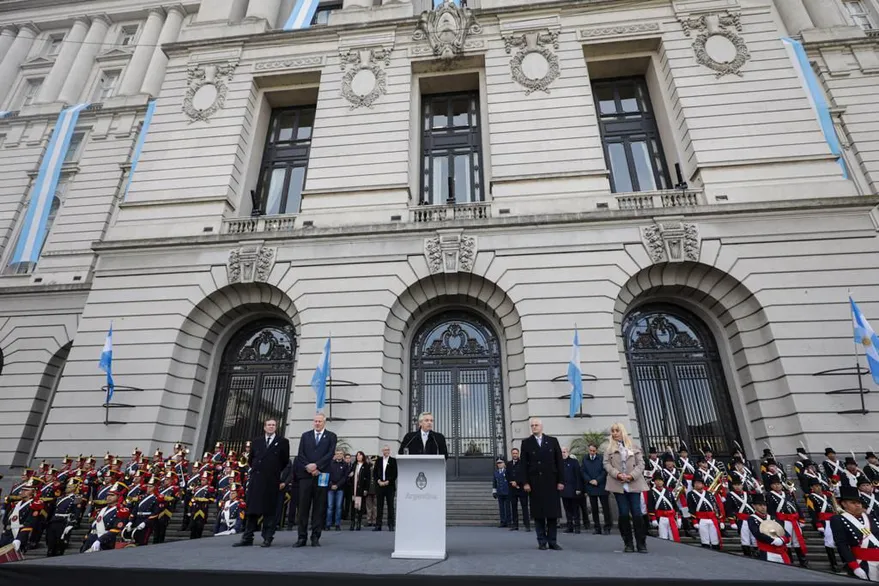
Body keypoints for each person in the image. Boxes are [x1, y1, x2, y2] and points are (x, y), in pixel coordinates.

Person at [234, 418, 291, 548]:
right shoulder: (256, 441)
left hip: (271, 479)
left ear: (276, 427)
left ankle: (267, 537)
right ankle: (247, 537)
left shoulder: (283, 442)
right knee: (252, 509)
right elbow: (251, 459)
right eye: (269, 425)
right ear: (264, 427)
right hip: (257, 479)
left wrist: (273, 470)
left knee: (269, 510)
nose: (271, 427)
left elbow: (284, 460)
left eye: (273, 425)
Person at [520, 418, 564, 551]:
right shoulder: (526, 443)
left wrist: (561, 481)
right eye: (532, 425)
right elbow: (523, 465)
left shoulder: (552, 441)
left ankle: (552, 541)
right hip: (535, 483)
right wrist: (526, 482)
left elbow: (559, 462)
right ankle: (541, 541)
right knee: (538, 514)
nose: (534, 427)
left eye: (536, 425)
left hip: (551, 481)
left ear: (541, 426)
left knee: (552, 514)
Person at [604, 422, 648, 553]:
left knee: (637, 513)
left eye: (617, 430)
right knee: (623, 514)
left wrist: (631, 476)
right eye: (613, 430)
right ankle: (628, 543)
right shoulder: (609, 449)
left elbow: (641, 464)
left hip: (633, 483)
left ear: (622, 431)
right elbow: (606, 464)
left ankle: (641, 543)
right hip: (619, 484)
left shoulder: (633, 446)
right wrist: (616, 474)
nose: (614, 433)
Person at [294, 413, 337, 548]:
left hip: (322, 475)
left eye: (320, 421)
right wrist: (309, 467)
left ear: (324, 422)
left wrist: (317, 466)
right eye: (315, 421)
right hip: (306, 475)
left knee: (319, 507)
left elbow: (330, 454)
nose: (317, 423)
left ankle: (315, 537)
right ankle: (301, 537)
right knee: (303, 507)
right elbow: (301, 454)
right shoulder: (305, 435)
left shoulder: (331, 436)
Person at [832, 485, 879, 581]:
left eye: (859, 503)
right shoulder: (838, 519)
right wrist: (855, 566)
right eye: (853, 503)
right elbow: (842, 544)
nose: (858, 505)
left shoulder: (870, 517)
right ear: (844, 504)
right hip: (863, 562)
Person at [766, 472, 808, 567]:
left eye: (778, 484)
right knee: (786, 542)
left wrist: (801, 518)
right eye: (774, 484)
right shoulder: (769, 495)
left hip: (793, 520)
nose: (777, 486)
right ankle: (789, 561)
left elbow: (796, 506)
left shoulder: (788, 494)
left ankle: (803, 560)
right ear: (771, 486)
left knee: (797, 541)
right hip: (782, 521)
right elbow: (771, 511)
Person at [806, 477, 840, 573]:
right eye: (816, 486)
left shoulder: (828, 495)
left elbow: (834, 508)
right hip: (824, 521)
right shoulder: (810, 497)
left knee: (840, 541)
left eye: (819, 486)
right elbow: (812, 512)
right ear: (812, 487)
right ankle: (833, 563)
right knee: (828, 543)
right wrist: (818, 524)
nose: (818, 488)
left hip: (833, 519)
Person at [748, 492, 791, 564]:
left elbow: (785, 533)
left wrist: (782, 539)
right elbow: (757, 534)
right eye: (760, 505)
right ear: (754, 506)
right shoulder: (752, 519)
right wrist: (773, 540)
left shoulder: (772, 517)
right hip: (766, 551)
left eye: (764, 505)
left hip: (781, 551)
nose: (763, 507)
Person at [582, 443, 611, 534]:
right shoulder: (585, 459)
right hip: (591, 487)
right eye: (590, 451)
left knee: (605, 508)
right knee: (594, 508)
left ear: (596, 450)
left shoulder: (601, 458)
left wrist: (597, 480)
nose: (592, 452)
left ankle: (607, 527)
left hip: (602, 486)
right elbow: (583, 471)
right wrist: (589, 480)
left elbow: (604, 471)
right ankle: (597, 527)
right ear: (588, 450)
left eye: (594, 451)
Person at [687, 475, 722, 550]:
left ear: (703, 484)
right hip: (701, 519)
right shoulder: (690, 494)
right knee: (704, 539)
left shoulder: (709, 493)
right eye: (695, 483)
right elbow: (691, 508)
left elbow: (715, 505)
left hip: (712, 518)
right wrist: (694, 521)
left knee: (715, 538)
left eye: (699, 483)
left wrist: (720, 519)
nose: (697, 484)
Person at [646, 471, 679, 542]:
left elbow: (674, 505)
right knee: (663, 538)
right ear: (654, 482)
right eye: (656, 480)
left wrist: (679, 517)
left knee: (673, 537)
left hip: (671, 517)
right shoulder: (651, 492)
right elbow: (650, 506)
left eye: (660, 480)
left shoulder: (669, 492)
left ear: (663, 482)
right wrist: (653, 518)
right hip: (660, 517)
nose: (658, 482)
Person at [727, 477, 754, 557]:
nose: (737, 487)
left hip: (751, 518)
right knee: (745, 539)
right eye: (735, 485)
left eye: (739, 485)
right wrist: (732, 521)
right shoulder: (730, 495)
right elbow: (729, 508)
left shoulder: (747, 494)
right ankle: (747, 555)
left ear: (742, 485)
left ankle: (756, 553)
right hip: (741, 520)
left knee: (754, 537)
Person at [373, 445, 397, 532]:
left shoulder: (393, 461)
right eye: (384, 450)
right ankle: (378, 525)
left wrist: (388, 481)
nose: (385, 451)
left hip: (389, 486)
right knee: (379, 506)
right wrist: (379, 481)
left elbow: (395, 474)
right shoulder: (378, 461)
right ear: (382, 451)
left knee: (390, 506)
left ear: (389, 451)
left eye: (387, 450)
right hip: (380, 486)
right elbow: (375, 472)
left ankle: (391, 525)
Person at [560, 447, 583, 534]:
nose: (563, 453)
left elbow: (578, 476)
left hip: (573, 490)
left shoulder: (574, 462)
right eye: (561, 452)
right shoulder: (559, 463)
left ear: (568, 452)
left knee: (575, 509)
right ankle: (569, 527)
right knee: (567, 510)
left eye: (564, 452)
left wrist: (578, 488)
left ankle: (577, 527)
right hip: (564, 490)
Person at [507, 448, 530, 532]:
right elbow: (507, 475)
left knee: (524, 507)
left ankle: (527, 525)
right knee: (513, 507)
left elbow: (524, 475)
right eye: (513, 453)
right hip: (512, 489)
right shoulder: (509, 464)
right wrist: (511, 482)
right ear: (511, 454)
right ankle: (515, 525)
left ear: (518, 454)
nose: (515, 455)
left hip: (522, 489)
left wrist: (517, 482)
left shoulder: (523, 463)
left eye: (516, 453)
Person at [326, 449, 348, 531]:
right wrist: (331, 485)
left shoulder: (345, 464)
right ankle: (328, 524)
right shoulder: (331, 463)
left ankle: (337, 524)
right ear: (335, 454)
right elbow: (328, 475)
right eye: (337, 453)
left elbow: (345, 477)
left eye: (340, 453)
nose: (339, 455)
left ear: (343, 455)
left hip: (340, 488)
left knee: (339, 507)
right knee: (330, 506)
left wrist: (337, 485)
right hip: (330, 488)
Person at [349, 451, 371, 531]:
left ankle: (358, 522)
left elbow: (368, 479)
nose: (358, 457)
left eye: (360, 455)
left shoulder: (366, 466)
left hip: (361, 489)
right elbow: (350, 474)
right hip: (353, 489)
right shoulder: (354, 465)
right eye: (357, 455)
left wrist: (366, 489)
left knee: (360, 507)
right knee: (353, 507)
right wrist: (350, 475)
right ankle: (352, 523)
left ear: (363, 456)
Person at [492, 459, 511, 528]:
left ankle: (509, 522)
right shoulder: (496, 472)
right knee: (501, 508)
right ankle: (503, 521)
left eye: (501, 463)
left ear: (504, 464)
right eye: (498, 463)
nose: (499, 464)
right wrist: (494, 492)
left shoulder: (507, 471)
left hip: (507, 491)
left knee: (508, 508)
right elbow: (494, 483)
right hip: (500, 492)